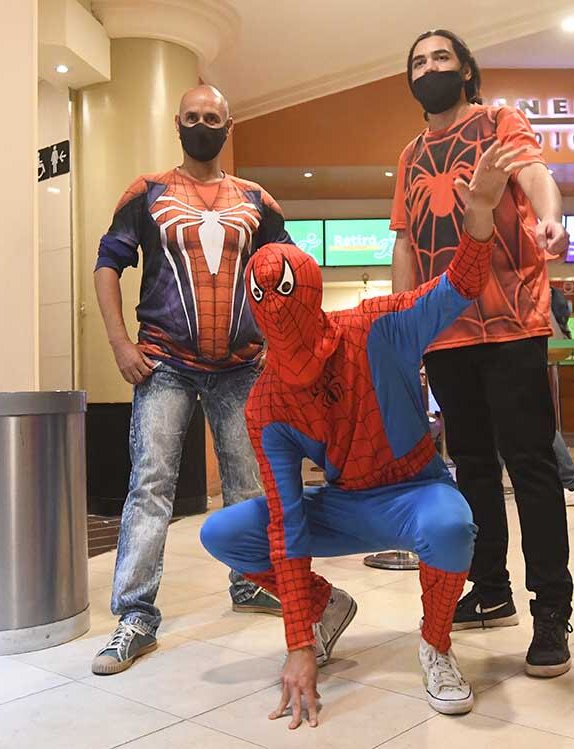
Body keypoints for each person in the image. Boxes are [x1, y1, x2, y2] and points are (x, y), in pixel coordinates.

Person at [200, 142, 526, 725]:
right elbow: (286, 522)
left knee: (450, 526)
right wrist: (299, 641)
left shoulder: (379, 326)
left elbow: (459, 284)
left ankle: (436, 644)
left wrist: (479, 212)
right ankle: (329, 609)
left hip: (414, 490)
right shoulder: (267, 402)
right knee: (225, 533)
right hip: (348, 504)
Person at [390, 29, 574, 677]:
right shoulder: (412, 153)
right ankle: (490, 587)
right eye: (419, 61)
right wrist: (402, 324)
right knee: (470, 465)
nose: (430, 68)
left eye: (442, 57)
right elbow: (407, 242)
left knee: (531, 464)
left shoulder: (498, 120)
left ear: (466, 69)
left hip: (513, 322)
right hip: (445, 331)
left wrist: (549, 217)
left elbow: (535, 174)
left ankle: (552, 607)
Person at [90, 85, 291, 675]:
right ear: (178, 124)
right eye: (193, 117)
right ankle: (134, 615)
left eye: (213, 117)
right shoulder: (147, 192)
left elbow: (289, 275)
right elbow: (108, 264)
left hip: (241, 366)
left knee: (248, 483)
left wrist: (282, 346)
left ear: (229, 124)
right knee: (150, 484)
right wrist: (120, 343)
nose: (203, 124)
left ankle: (251, 580)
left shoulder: (256, 199)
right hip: (163, 362)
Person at [550, 288, 574, 506]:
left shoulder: (541, 290)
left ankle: (570, 483)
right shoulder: (552, 292)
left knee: (539, 422)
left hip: (527, 353)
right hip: (535, 352)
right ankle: (570, 482)